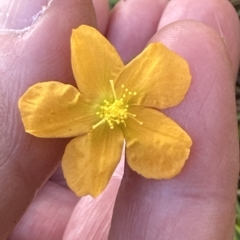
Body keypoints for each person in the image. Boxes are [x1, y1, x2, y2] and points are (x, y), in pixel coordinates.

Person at [0, 0, 239, 239]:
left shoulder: (143, 74)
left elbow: (86, 40)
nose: (115, 111)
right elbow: (83, 43)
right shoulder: (86, 60)